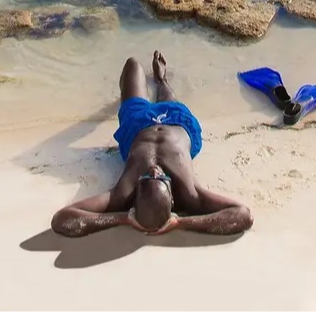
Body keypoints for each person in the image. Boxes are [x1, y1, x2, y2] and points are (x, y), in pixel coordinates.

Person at [51, 52, 253, 238]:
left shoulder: (121, 194)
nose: (155, 170)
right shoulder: (191, 195)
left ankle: (157, 79)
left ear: (135, 194)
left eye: (146, 177)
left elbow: (62, 219)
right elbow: (242, 214)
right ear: (172, 199)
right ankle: (161, 79)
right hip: (178, 123)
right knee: (169, 99)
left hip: (137, 125)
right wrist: (180, 223)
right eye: (162, 178)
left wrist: (123, 219)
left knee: (132, 65)